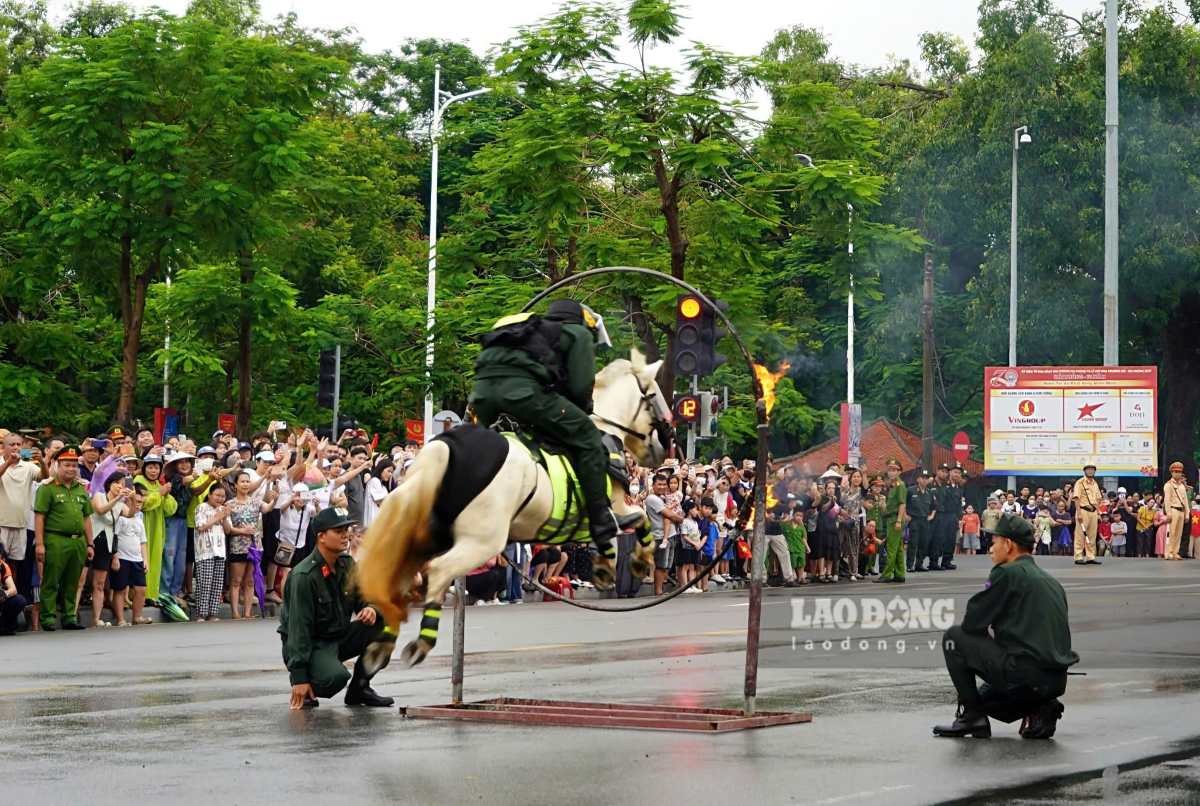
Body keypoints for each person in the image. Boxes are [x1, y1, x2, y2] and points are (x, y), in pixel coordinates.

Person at [469, 298, 632, 589]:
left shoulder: (529, 332)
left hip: (482, 397)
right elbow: (581, 386)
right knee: (590, 440)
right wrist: (582, 409)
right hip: (522, 396)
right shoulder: (577, 333)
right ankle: (599, 519)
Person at [933, 514, 1078, 739]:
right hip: (1056, 680)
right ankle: (1041, 707)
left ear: (1009, 544)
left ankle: (973, 717)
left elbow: (972, 623)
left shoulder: (1006, 572)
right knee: (985, 697)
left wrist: (988, 637)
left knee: (955, 637)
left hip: (1025, 674)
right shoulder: (1052, 581)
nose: (991, 548)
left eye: (995, 542)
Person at [278, 507, 393, 709]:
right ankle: (308, 685)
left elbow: (367, 597)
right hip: (312, 645)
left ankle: (359, 689)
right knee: (335, 678)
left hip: (336, 637)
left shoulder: (347, 565)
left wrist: (370, 608)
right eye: (339, 531)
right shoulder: (304, 576)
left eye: (347, 530)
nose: (346, 536)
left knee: (385, 629)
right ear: (321, 536)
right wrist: (299, 677)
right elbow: (298, 630)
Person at [34, 446, 95, 631]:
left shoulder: (81, 488)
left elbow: (86, 518)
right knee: (51, 579)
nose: (71, 469)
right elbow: (39, 517)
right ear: (57, 465)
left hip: (78, 541)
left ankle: (69, 616)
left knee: (73, 580)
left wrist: (90, 543)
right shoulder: (47, 488)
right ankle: (48, 618)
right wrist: (40, 544)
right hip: (55, 538)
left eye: (74, 465)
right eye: (67, 465)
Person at [111, 485, 151, 626]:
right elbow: (114, 538)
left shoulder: (140, 520)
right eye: (135, 501)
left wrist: (145, 559)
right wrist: (115, 557)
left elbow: (143, 542)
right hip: (122, 558)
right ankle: (121, 619)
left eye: (140, 502)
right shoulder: (120, 519)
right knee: (120, 589)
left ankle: (137, 617)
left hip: (137, 559)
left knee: (141, 589)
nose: (138, 505)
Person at [193, 485, 230, 622]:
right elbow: (201, 526)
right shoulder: (201, 507)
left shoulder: (222, 509)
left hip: (220, 551)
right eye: (217, 495)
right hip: (205, 551)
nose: (220, 499)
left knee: (217, 583)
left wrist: (224, 517)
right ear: (209, 494)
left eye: (223, 496)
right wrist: (217, 517)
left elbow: (227, 530)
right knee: (205, 582)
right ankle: (201, 614)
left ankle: (213, 613)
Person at [875, 458, 907, 583]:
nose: (891, 472)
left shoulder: (900, 485)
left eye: (894, 470)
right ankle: (900, 573)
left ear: (900, 472)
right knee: (898, 548)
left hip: (895, 520)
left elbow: (902, 504)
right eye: (889, 470)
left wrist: (899, 520)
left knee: (891, 548)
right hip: (891, 519)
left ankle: (886, 574)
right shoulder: (893, 485)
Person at [1070, 463, 1103, 565]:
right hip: (1083, 510)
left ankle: (1090, 556)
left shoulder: (1095, 483)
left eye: (1092, 469)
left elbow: (1098, 499)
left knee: (1092, 535)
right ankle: (1078, 556)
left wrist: (1098, 513)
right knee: (1080, 535)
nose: (1090, 471)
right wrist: (1078, 513)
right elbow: (1076, 499)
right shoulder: (1080, 482)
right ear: (1084, 471)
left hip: (1093, 512)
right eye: (1088, 469)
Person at [906, 469, 936, 572]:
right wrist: (905, 515)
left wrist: (931, 515)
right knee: (913, 543)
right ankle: (910, 565)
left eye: (926, 478)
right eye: (922, 478)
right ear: (918, 479)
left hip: (925, 520)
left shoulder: (929, 492)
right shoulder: (911, 490)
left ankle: (919, 564)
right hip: (914, 519)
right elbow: (903, 504)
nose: (924, 480)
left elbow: (934, 506)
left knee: (924, 543)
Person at [1162, 461, 1189, 561]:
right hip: (1173, 510)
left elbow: (1185, 501)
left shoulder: (1182, 486)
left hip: (1181, 511)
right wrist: (1168, 513)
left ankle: (1175, 552)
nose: (1178, 473)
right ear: (1172, 473)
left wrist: (1187, 514)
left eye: (1179, 471)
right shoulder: (1168, 485)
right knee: (1171, 532)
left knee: (1179, 533)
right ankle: (1168, 552)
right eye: (1175, 471)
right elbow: (1167, 500)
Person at [0, 544, 28, 635]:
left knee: (19, 600)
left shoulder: (3, 566)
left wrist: (4, 593)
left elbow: (13, 589)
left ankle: (5, 626)